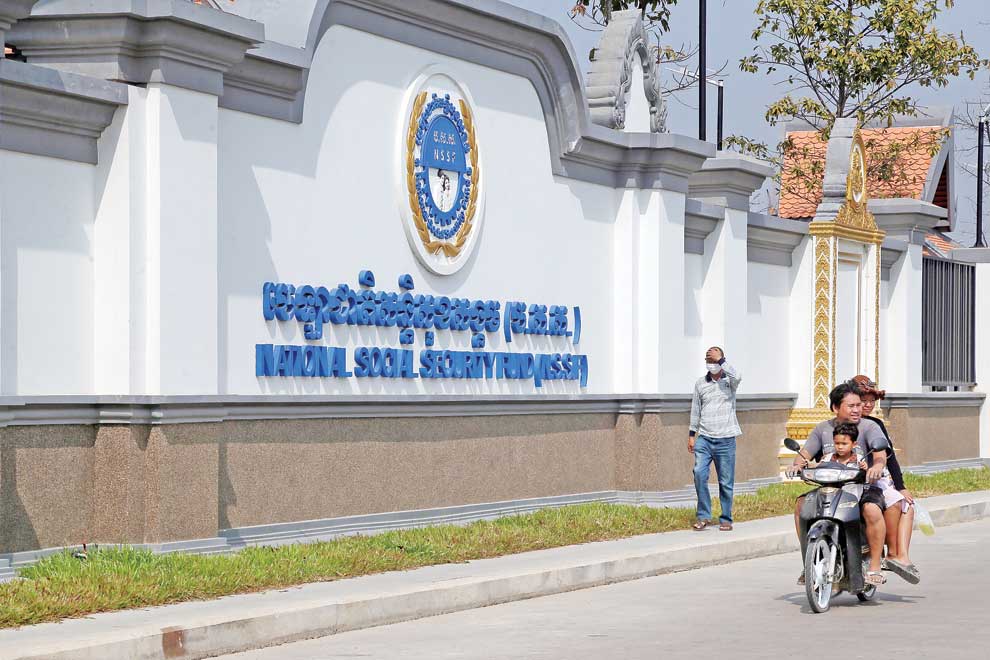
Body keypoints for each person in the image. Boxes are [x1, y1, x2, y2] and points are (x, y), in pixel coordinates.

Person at [789, 382, 890, 586]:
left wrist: (876, 467)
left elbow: (880, 456)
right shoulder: (822, 429)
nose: (857, 410)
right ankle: (808, 562)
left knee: (871, 509)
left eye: (859, 405)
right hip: (831, 487)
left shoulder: (870, 426)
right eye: (851, 406)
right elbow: (804, 454)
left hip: (862, 487)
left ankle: (876, 565)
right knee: (801, 506)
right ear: (836, 407)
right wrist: (797, 466)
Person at [850, 375, 920, 585]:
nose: (868, 405)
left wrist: (901, 486)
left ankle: (898, 555)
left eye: (872, 401)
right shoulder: (837, 425)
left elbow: (889, 457)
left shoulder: (874, 425)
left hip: (875, 478)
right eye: (863, 401)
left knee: (905, 503)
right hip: (847, 479)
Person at [688, 346, 742, 532]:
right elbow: (696, 410)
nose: (711, 364)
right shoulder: (700, 383)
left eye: (714, 360)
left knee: (726, 481)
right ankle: (703, 516)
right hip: (705, 437)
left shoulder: (729, 382)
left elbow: (738, 376)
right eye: (708, 361)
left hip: (726, 439)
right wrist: (692, 435)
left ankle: (726, 518)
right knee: (699, 474)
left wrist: (721, 360)